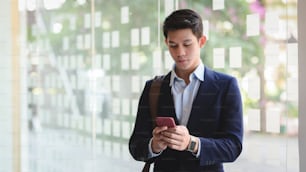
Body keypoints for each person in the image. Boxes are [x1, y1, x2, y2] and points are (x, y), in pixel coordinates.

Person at [129, 9, 243, 172]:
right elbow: (135, 146)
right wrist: (154, 145)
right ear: (166, 43)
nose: (180, 53)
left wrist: (191, 143)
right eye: (173, 45)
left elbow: (233, 147)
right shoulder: (153, 88)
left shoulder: (226, 86)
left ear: (201, 41)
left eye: (187, 44)